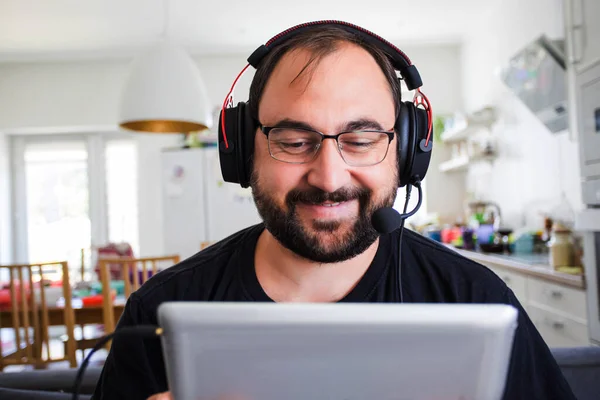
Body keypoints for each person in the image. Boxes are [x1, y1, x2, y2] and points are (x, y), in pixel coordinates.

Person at [92, 21, 576, 400]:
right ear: (242, 152)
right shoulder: (158, 311)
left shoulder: (475, 300)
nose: (329, 177)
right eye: (294, 141)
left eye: (361, 140)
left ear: (407, 151)